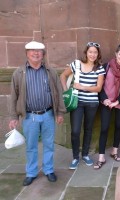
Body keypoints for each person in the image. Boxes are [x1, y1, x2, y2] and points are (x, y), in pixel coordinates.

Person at [9, 41, 66, 186]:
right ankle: (31, 172)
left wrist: (60, 113)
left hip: (48, 114)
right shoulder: (19, 73)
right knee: (31, 146)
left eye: (39, 51)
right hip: (29, 116)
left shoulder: (50, 72)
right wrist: (14, 117)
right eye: (32, 51)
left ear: (43, 54)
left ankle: (48, 170)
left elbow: (59, 92)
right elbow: (13, 96)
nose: (36, 53)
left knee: (49, 144)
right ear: (27, 53)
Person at [60, 42, 105, 170]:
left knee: (88, 129)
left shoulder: (99, 68)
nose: (92, 54)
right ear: (86, 52)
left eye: (95, 52)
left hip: (92, 103)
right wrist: (66, 91)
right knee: (75, 130)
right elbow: (63, 75)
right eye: (90, 52)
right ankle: (75, 157)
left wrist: (82, 87)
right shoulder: (76, 64)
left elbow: (98, 88)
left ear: (98, 54)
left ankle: (85, 154)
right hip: (77, 102)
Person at [93, 43, 120, 169]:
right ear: (116, 54)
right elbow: (100, 85)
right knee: (104, 128)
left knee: (119, 126)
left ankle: (114, 151)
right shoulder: (106, 66)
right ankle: (101, 157)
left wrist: (117, 101)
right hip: (107, 101)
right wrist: (104, 99)